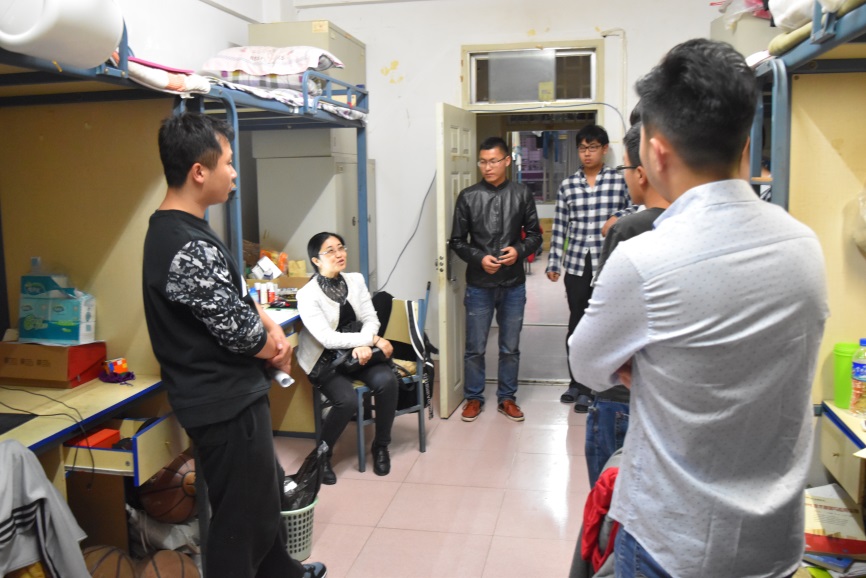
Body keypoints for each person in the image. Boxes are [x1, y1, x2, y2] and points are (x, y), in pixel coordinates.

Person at [568, 39, 828, 578]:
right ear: (746, 142)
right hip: (775, 542)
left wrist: (649, 368)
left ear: (655, 152)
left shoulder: (645, 259)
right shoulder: (804, 245)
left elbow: (587, 366)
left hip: (671, 542)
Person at [142, 112, 327, 578]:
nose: (234, 172)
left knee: (262, 500)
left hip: (231, 395)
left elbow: (237, 296)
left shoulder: (187, 230)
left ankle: (283, 573)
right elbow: (241, 334)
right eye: (227, 162)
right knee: (240, 522)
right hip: (223, 401)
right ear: (198, 171)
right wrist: (274, 345)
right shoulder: (185, 244)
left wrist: (270, 327)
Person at [583, 121, 670, 489]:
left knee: (613, 501)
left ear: (642, 172)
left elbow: (593, 340)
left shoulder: (629, 228)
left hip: (621, 394)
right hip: (672, 398)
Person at [450, 136, 542, 422]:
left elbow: (536, 235)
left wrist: (519, 251)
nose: (487, 167)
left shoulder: (522, 194)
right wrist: (479, 258)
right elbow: (457, 241)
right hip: (479, 284)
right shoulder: (468, 196)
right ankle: (474, 398)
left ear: (507, 161)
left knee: (510, 347)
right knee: (475, 347)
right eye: (482, 162)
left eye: (493, 161)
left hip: (513, 283)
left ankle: (507, 398)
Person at [296, 231, 398, 484]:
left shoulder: (355, 280)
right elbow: (327, 338)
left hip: (356, 355)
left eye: (341, 248)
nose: (339, 254)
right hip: (325, 360)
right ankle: (322, 456)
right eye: (330, 251)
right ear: (316, 260)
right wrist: (369, 341)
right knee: (347, 401)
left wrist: (364, 342)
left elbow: (371, 318)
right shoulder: (307, 295)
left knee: (387, 381)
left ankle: (381, 446)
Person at [545, 125, 630, 413]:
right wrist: (554, 262)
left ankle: (598, 386)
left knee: (604, 326)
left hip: (609, 264)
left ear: (604, 149)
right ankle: (577, 384)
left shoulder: (619, 181)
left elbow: (638, 207)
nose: (587, 153)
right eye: (582, 148)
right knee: (577, 324)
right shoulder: (568, 185)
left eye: (593, 147)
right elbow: (560, 226)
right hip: (577, 264)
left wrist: (618, 216)